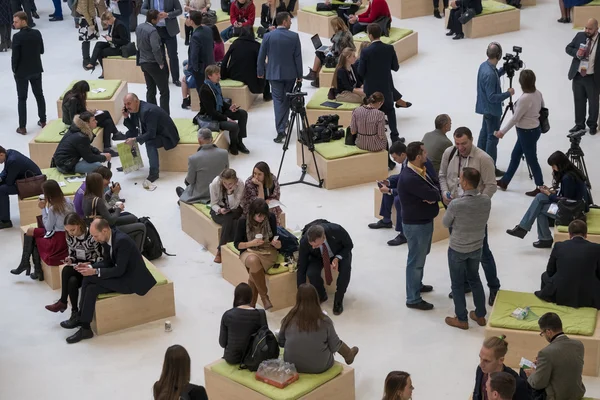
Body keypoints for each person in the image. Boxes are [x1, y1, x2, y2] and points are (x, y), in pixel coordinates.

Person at [62, 218, 157, 343]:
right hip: (121, 276)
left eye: (95, 236)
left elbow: (119, 270)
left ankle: (81, 320)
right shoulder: (107, 238)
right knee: (91, 287)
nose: (94, 239)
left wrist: (95, 272)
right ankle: (84, 325)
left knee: (90, 278)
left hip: (130, 280)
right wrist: (90, 266)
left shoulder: (122, 241)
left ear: (105, 231)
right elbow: (107, 261)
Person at [439, 127, 500, 305]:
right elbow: (442, 175)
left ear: (472, 140)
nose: (461, 147)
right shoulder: (449, 153)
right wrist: (444, 192)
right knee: (459, 249)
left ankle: (494, 287)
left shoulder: (483, 159)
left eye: (464, 143)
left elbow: (491, 185)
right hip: (454, 209)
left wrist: (477, 205)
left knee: (483, 252)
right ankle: (464, 283)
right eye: (457, 143)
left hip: (474, 213)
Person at [506, 151, 588, 248]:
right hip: (575, 207)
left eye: (553, 166)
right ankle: (529, 231)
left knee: (539, 209)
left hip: (571, 212)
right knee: (540, 197)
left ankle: (542, 237)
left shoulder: (567, 178)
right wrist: (552, 192)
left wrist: (549, 194)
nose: (553, 168)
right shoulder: (572, 173)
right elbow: (568, 195)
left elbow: (564, 201)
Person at [443, 168, 490, 330]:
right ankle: (481, 314)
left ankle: (461, 319)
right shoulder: (486, 200)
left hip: (457, 248)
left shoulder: (456, 204)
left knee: (457, 284)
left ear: (464, 182)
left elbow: (445, 223)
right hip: (477, 246)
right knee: (475, 278)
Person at [398, 141, 441, 311]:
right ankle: (413, 298)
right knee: (416, 260)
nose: (427, 155)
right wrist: (433, 195)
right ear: (417, 157)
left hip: (423, 221)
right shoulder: (410, 177)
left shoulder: (423, 167)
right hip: (416, 225)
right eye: (424, 153)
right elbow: (434, 193)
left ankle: (417, 284)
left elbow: (435, 185)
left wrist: (433, 194)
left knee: (421, 256)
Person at [278, 283, 359, 373]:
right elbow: (334, 345)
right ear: (316, 298)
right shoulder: (324, 320)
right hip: (318, 367)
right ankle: (348, 355)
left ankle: (348, 355)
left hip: (292, 365)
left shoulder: (289, 317)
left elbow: (281, 342)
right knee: (330, 341)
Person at [11, 180, 75, 281]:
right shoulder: (68, 201)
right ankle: (29, 266)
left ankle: (33, 268)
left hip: (57, 240)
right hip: (66, 234)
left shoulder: (53, 208)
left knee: (34, 237)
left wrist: (43, 209)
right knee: (31, 231)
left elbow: (48, 227)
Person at [495, 69, 545, 194]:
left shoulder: (525, 99)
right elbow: (542, 108)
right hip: (534, 130)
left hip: (526, 132)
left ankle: (540, 186)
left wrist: (502, 132)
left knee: (532, 159)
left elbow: (515, 118)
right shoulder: (538, 93)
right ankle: (504, 181)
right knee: (516, 155)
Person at [44, 213, 103, 319]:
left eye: (73, 230)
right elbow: (72, 254)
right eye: (68, 230)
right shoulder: (69, 236)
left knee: (68, 274)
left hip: (91, 266)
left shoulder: (91, 234)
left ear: (79, 225)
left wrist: (89, 263)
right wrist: (70, 259)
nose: (71, 233)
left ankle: (63, 302)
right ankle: (74, 312)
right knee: (71, 278)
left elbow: (101, 257)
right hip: (78, 266)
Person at [257, 11, 302, 143]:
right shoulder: (294, 37)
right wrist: (300, 75)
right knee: (287, 98)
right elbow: (297, 58)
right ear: (284, 22)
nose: (291, 22)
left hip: (273, 73)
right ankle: (283, 123)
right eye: (289, 20)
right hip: (290, 74)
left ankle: (281, 130)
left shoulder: (268, 36)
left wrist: (260, 71)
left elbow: (261, 55)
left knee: (278, 101)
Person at [535, 220, 600, 308]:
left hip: (562, 293)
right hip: (588, 295)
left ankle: (548, 300)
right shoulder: (597, 248)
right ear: (586, 234)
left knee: (544, 275)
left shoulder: (559, 246)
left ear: (569, 234)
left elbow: (550, 271)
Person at [358, 24, 405, 144]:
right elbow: (395, 67)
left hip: (371, 88)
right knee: (390, 110)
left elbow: (360, 72)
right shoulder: (389, 48)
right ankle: (395, 137)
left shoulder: (365, 52)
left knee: (371, 112)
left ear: (370, 35)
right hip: (386, 86)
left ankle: (372, 138)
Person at [524, 313, 586, 400]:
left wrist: (532, 374)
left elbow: (538, 383)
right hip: (577, 393)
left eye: (542, 333)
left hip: (557, 397)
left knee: (524, 373)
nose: (544, 336)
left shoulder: (545, 353)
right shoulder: (579, 345)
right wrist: (542, 364)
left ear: (548, 332)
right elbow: (564, 365)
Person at [234, 198, 281, 310]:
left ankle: (251, 305)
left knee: (253, 273)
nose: (262, 218)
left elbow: (274, 238)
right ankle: (264, 297)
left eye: (264, 216)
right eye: (259, 216)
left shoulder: (270, 218)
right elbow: (237, 244)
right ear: (252, 214)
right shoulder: (243, 221)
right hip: (249, 250)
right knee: (253, 261)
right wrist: (251, 243)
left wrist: (277, 244)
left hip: (268, 250)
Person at [297, 222, 353, 315]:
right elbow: (301, 267)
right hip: (317, 257)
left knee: (345, 271)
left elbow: (349, 245)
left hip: (339, 252)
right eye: (311, 245)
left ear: (324, 237)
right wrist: (301, 296)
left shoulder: (337, 230)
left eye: (316, 245)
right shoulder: (304, 242)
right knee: (311, 273)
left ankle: (339, 299)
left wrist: (338, 258)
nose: (313, 247)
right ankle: (321, 295)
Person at [123, 93, 181, 182]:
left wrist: (135, 139)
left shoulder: (148, 111)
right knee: (129, 134)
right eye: (125, 104)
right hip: (154, 131)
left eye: (129, 103)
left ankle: (154, 172)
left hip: (167, 135)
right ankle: (131, 164)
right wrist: (126, 117)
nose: (127, 107)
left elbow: (151, 134)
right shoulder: (134, 109)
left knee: (150, 142)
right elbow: (133, 129)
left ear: (136, 101)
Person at [476, 43, 514, 175]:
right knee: (492, 138)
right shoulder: (491, 74)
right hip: (492, 110)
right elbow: (492, 97)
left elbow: (493, 76)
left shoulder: (484, 66)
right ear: (499, 55)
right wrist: (508, 93)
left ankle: (478, 162)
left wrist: (503, 70)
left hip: (485, 108)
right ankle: (490, 168)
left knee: (484, 134)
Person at [61, 80, 125, 154]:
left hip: (79, 119)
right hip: (75, 123)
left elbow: (79, 111)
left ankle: (107, 148)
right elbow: (74, 118)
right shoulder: (73, 100)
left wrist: (89, 112)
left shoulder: (71, 93)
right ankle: (116, 133)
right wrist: (89, 114)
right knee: (106, 113)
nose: (85, 94)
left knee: (108, 122)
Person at [199, 65, 249, 155]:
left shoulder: (216, 85)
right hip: (212, 118)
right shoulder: (204, 90)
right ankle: (233, 145)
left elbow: (220, 101)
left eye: (219, 73)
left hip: (220, 112)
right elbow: (211, 112)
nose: (219, 76)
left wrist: (229, 107)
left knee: (243, 113)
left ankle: (240, 142)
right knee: (234, 126)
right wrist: (227, 119)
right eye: (217, 74)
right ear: (209, 76)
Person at [12, 11, 46, 135]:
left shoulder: (17, 37)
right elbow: (41, 50)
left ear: (23, 20)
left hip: (22, 72)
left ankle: (22, 127)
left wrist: (14, 70)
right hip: (36, 69)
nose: (14, 24)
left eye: (16, 21)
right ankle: (43, 121)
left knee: (22, 98)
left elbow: (15, 57)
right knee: (39, 95)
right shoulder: (37, 33)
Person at [368, 141, 408, 246]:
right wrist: (388, 182)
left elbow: (409, 187)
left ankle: (403, 234)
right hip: (406, 184)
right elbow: (402, 177)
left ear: (403, 154)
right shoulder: (405, 161)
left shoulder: (411, 164)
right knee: (388, 183)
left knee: (398, 199)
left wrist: (391, 191)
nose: (394, 161)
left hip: (412, 190)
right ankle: (386, 220)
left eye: (395, 158)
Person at [566, 18, 600, 136]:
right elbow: (568, 48)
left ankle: (592, 125)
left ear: (597, 28)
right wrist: (576, 53)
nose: (587, 30)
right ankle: (579, 124)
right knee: (578, 101)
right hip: (578, 75)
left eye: (590, 29)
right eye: (586, 27)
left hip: (593, 78)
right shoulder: (580, 35)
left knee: (593, 103)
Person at [177, 128, 228, 204]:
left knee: (187, 182)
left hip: (202, 193)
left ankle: (186, 197)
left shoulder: (193, 158)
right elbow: (227, 172)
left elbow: (190, 180)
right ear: (212, 139)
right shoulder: (224, 153)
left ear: (199, 140)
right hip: (220, 190)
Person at [473, 336, 531, 400]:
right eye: (480, 358)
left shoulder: (517, 383)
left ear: (501, 360)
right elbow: (477, 394)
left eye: (486, 361)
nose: (481, 364)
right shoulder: (481, 370)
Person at [302, 17, 354, 88]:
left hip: (341, 58)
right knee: (321, 54)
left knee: (319, 54)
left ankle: (314, 74)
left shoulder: (340, 37)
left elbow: (339, 51)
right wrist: (331, 48)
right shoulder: (346, 32)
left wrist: (330, 51)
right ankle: (316, 77)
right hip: (346, 54)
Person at [219, 283, 265, 363]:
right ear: (251, 297)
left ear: (236, 297)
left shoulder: (227, 315)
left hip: (232, 358)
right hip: (253, 358)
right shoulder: (260, 314)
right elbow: (265, 339)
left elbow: (222, 343)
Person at [221, 26, 270, 100]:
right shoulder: (256, 45)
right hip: (251, 76)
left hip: (234, 74)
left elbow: (225, 59)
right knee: (265, 67)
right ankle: (267, 95)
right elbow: (261, 63)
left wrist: (223, 74)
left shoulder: (235, 43)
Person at [136, 10, 171, 114]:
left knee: (150, 89)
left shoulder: (139, 27)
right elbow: (156, 48)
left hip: (143, 62)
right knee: (164, 91)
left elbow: (138, 45)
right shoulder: (152, 31)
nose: (159, 19)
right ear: (153, 19)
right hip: (153, 63)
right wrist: (160, 62)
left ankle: (151, 113)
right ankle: (164, 115)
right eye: (158, 18)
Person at [141, 0, 182, 86]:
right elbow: (142, 9)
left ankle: (176, 79)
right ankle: (165, 77)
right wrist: (153, 14)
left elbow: (179, 10)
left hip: (170, 30)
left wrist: (168, 15)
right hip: (155, 30)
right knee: (161, 55)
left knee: (173, 55)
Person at [0, 146, 41, 229]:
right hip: (26, 179)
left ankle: (5, 221)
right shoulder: (9, 153)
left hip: (33, 184)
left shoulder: (13, 161)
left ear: (1, 154)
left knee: (2, 190)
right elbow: (6, 171)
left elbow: (9, 182)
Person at [209, 169, 244, 263]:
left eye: (230, 183)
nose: (227, 185)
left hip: (234, 210)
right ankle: (225, 249)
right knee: (232, 221)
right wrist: (220, 210)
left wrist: (230, 192)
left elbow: (234, 206)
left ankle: (220, 250)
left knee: (230, 217)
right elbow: (213, 204)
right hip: (219, 210)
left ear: (235, 181)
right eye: (225, 183)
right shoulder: (215, 184)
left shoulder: (240, 184)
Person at [84, 11, 131, 78]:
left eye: (107, 22)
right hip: (114, 43)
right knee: (98, 44)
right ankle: (92, 63)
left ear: (110, 19)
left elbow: (125, 41)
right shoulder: (112, 24)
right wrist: (108, 37)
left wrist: (112, 39)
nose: (107, 24)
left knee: (100, 52)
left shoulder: (119, 25)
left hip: (120, 47)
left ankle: (104, 70)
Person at [188, 10, 214, 98]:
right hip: (210, 63)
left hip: (200, 68)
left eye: (188, 18)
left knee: (202, 90)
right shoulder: (208, 29)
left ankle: (205, 108)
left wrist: (195, 68)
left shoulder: (195, 36)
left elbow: (194, 54)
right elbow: (212, 45)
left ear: (191, 21)